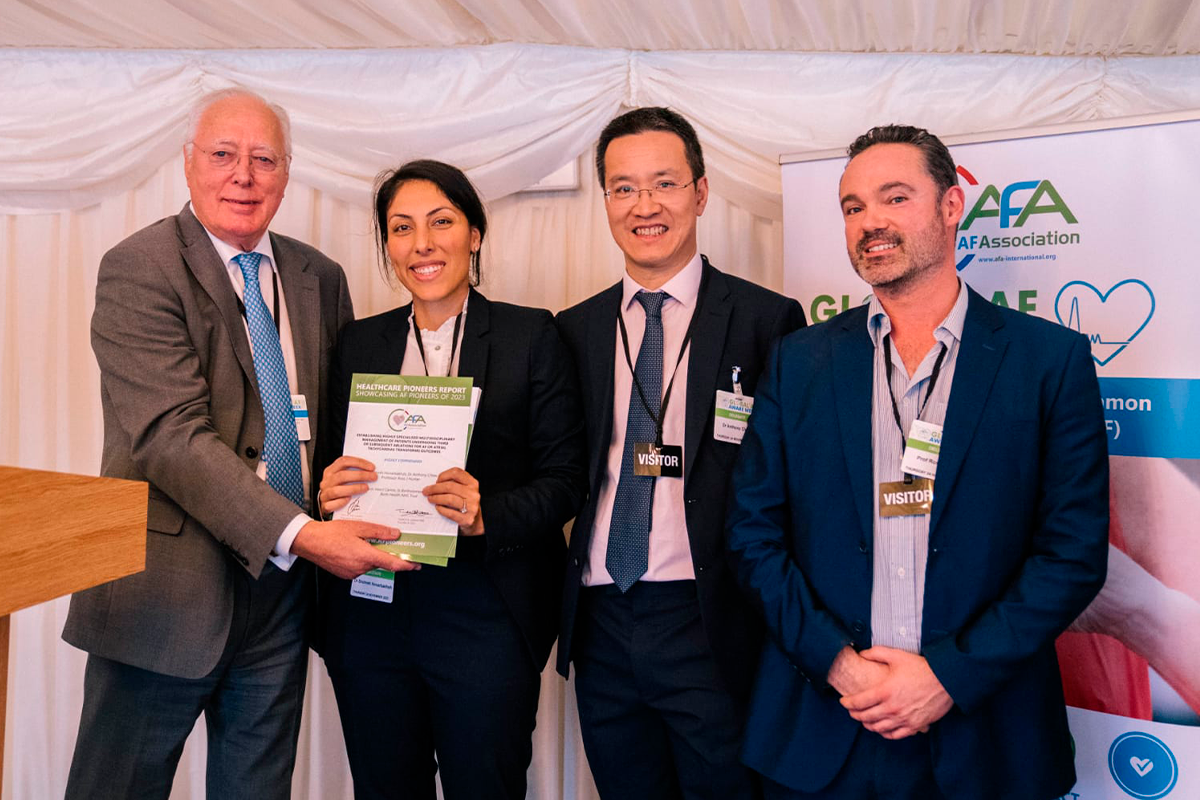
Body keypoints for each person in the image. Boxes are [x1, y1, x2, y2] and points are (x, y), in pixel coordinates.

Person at [725, 124, 1109, 800]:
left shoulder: (1049, 361)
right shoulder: (799, 361)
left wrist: (946, 679)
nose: (870, 221)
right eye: (852, 207)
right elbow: (753, 534)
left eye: (895, 197)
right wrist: (840, 667)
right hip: (827, 729)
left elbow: (1072, 553)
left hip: (985, 735)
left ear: (951, 206)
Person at [62, 88, 416, 800]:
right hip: (159, 598)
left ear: (287, 174)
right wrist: (307, 536)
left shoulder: (320, 277)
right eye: (223, 155)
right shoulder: (140, 267)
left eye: (263, 160)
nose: (243, 176)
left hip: (280, 605)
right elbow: (171, 437)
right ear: (189, 165)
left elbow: (337, 425)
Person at [314, 159, 588, 800]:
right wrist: (327, 496)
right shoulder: (357, 344)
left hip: (484, 615)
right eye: (402, 228)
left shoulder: (530, 335)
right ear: (387, 245)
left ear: (475, 233)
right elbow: (329, 471)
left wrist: (488, 512)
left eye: (442, 222)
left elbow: (566, 479)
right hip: (374, 612)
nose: (422, 244)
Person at [555, 107, 806, 800]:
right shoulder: (573, 330)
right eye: (624, 187)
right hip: (602, 619)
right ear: (605, 201)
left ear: (699, 192)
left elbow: (790, 482)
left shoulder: (765, 320)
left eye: (663, 184)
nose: (645, 206)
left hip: (710, 616)